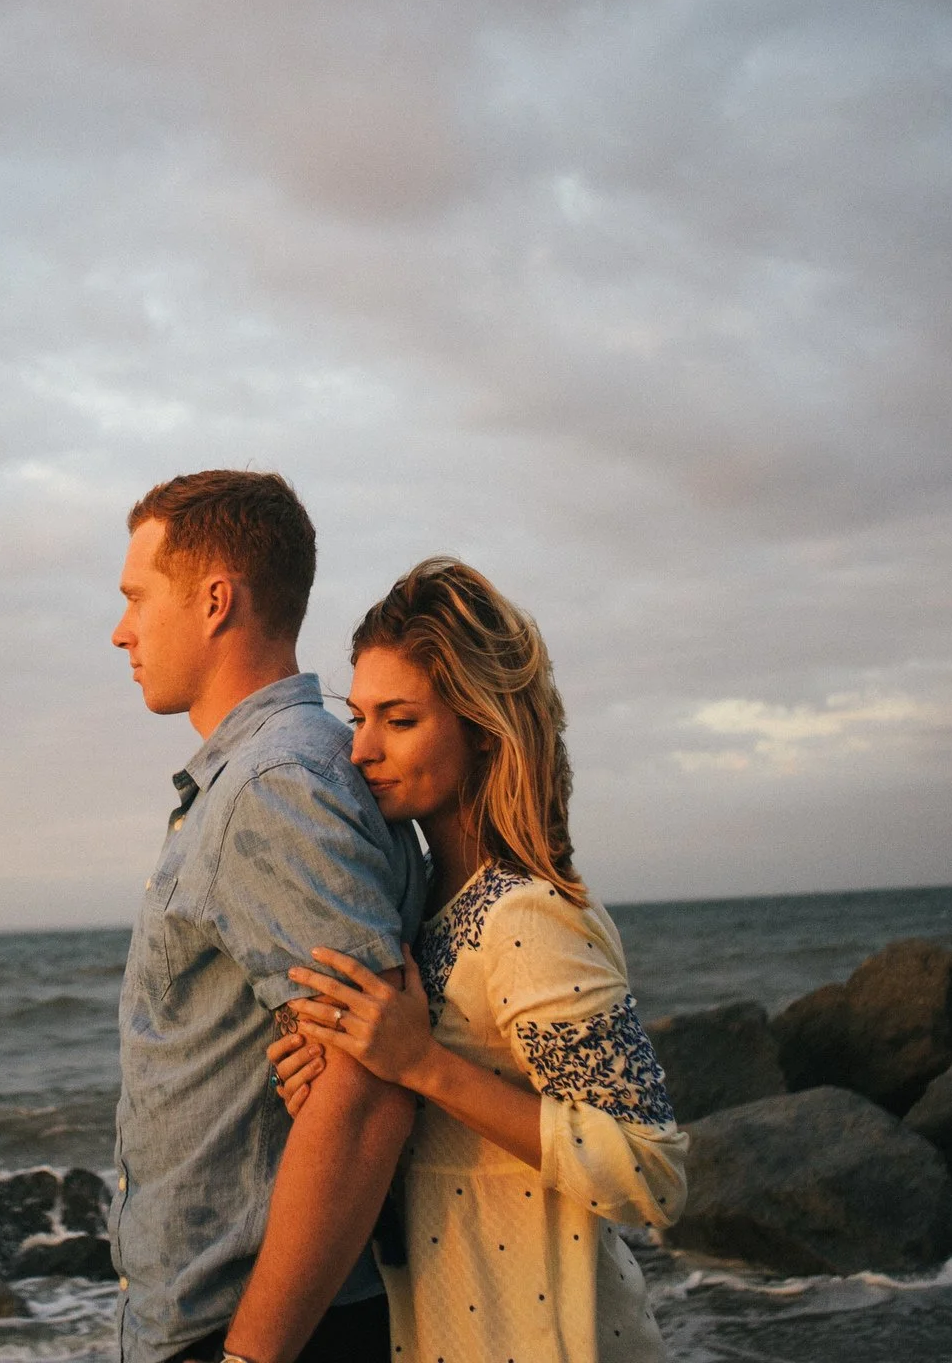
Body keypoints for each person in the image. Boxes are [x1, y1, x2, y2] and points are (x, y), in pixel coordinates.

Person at [269, 557, 685, 1363]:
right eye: (358, 719)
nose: (360, 752)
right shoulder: (422, 916)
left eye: (398, 719)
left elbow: (649, 1173)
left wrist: (419, 1064)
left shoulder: (531, 914)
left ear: (482, 725)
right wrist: (333, 1088)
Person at [108, 471, 428, 1363]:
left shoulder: (272, 787)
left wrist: (250, 1358)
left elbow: (362, 1091)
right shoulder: (306, 760)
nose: (121, 630)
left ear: (215, 602)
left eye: (137, 597)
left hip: (259, 1329)